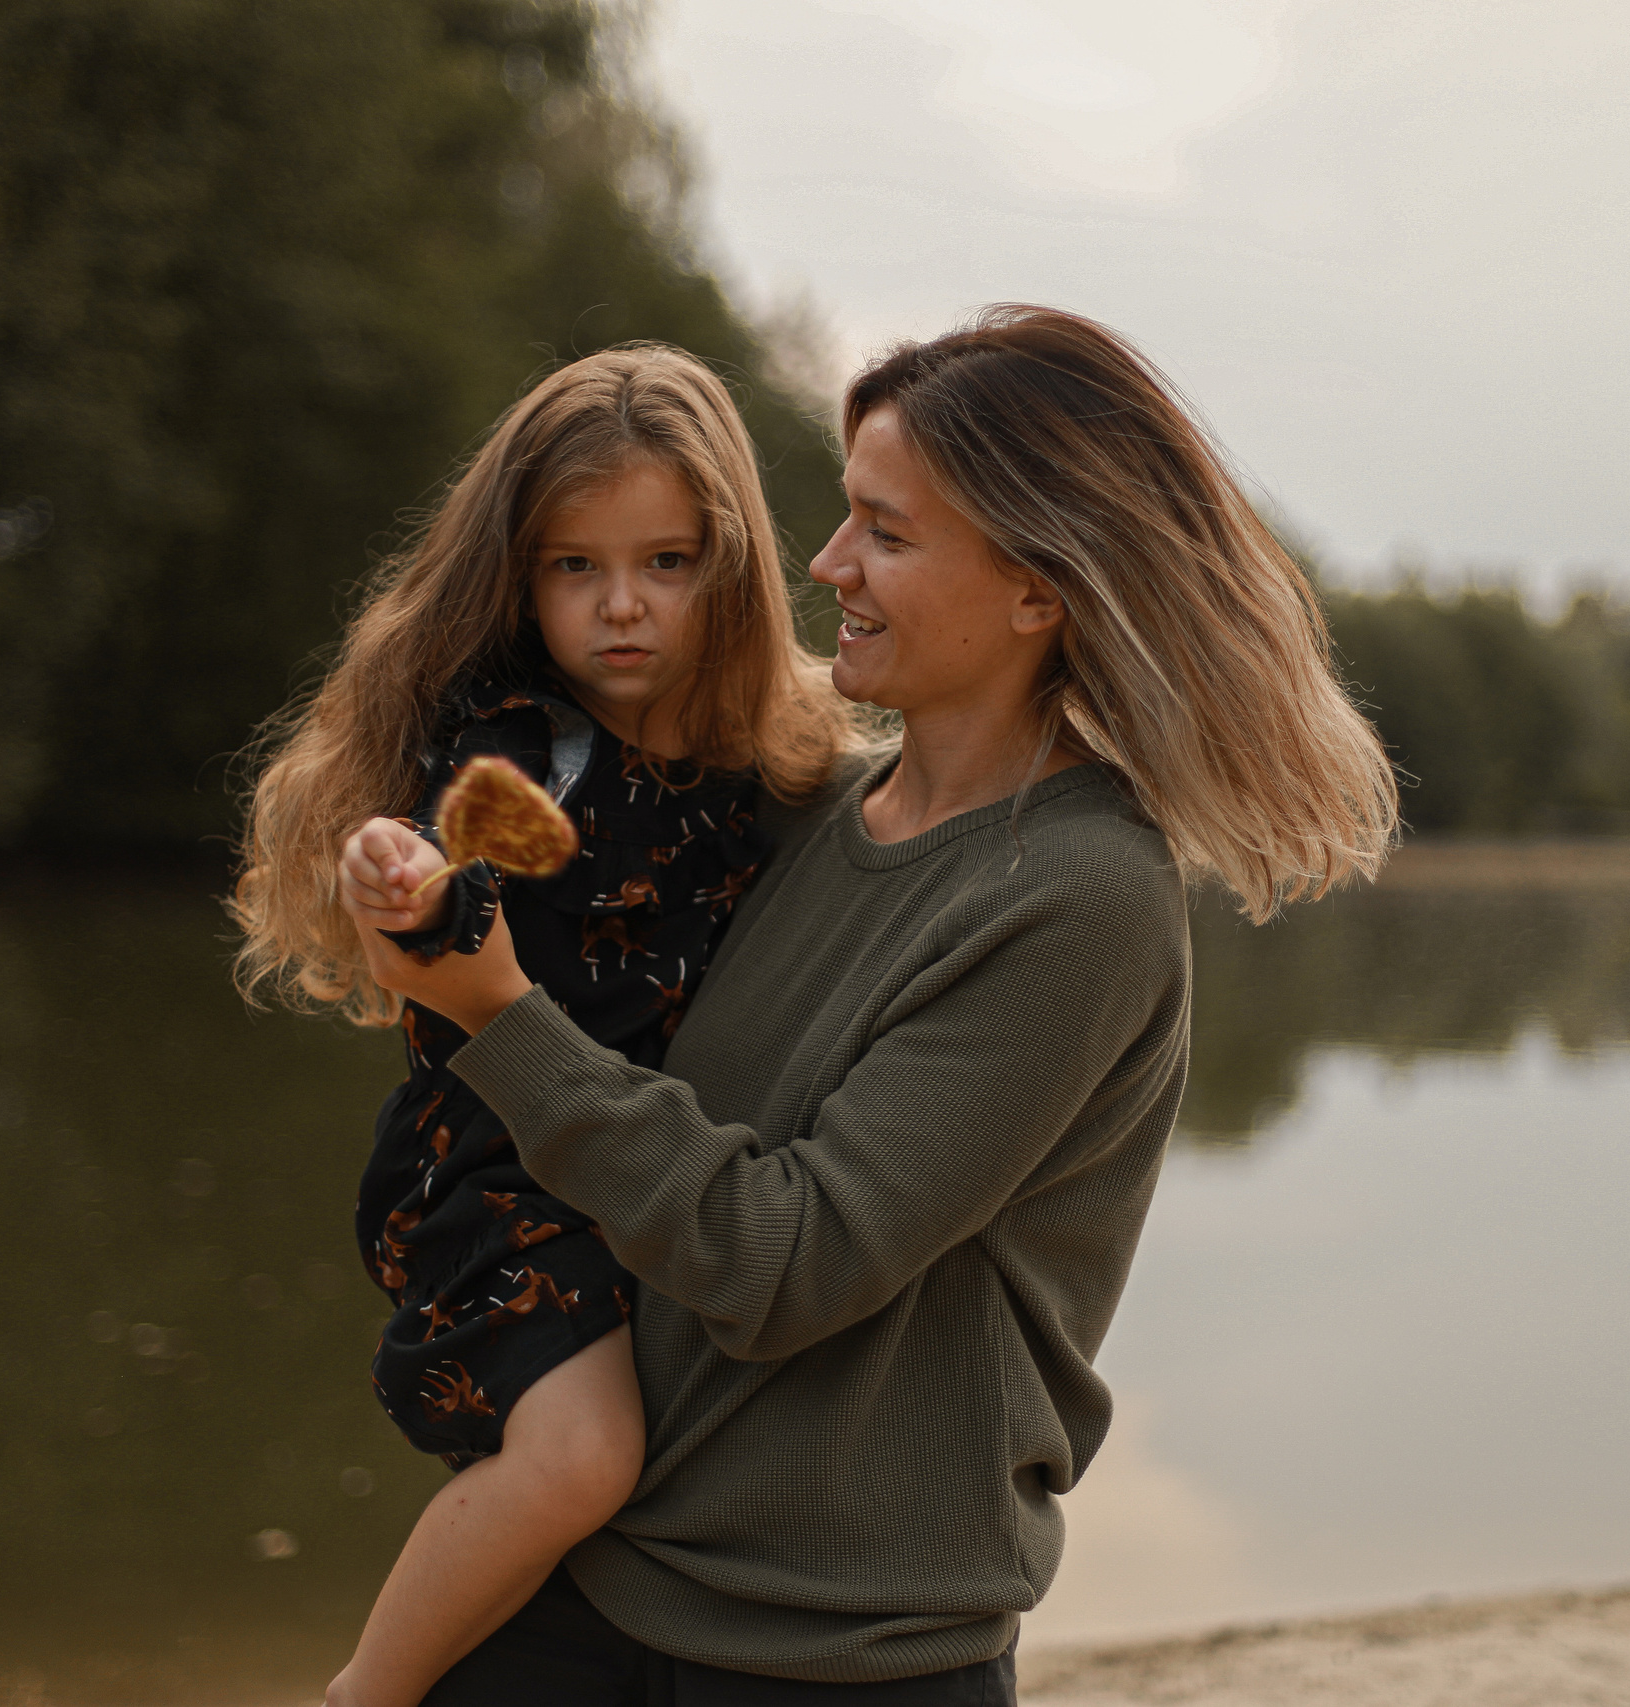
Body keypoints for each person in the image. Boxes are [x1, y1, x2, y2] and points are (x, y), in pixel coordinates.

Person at [344, 305, 1400, 1706]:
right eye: (846, 517)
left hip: (835, 1661)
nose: (826, 563)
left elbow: (787, 1267)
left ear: (1039, 588)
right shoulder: (800, 813)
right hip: (586, 1588)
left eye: (887, 535)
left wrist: (501, 1017)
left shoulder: (1081, 893)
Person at [229, 346, 848, 1707]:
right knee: (580, 1462)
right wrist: (408, 881)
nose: (621, 606)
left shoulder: (760, 751)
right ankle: (366, 1692)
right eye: (576, 567)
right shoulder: (518, 744)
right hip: (503, 1169)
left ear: (729, 568)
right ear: (520, 575)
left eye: (667, 563)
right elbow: (455, 867)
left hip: (655, 1163)